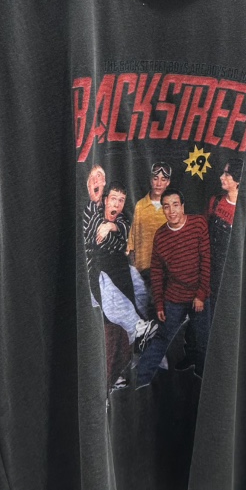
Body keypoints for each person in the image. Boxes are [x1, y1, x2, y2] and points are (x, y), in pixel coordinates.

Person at [137, 189, 211, 388]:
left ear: (182, 206)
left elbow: (206, 261)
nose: (171, 211)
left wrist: (201, 295)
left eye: (175, 205)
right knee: (162, 337)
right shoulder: (161, 236)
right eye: (166, 207)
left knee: (203, 339)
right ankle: (140, 380)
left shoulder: (198, 224)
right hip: (174, 297)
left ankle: (204, 380)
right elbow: (157, 273)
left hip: (199, 294)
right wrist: (160, 304)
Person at [84, 181, 157, 355]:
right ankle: (137, 327)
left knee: (138, 286)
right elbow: (98, 241)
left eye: (121, 200)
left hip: (118, 269)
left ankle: (148, 324)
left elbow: (125, 229)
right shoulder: (93, 213)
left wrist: (111, 226)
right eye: (113, 199)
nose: (116, 204)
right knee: (109, 290)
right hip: (96, 273)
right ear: (105, 200)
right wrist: (111, 233)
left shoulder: (121, 220)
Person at [127, 161, 172, 284]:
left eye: (163, 179)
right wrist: (135, 272)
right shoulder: (140, 205)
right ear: (151, 180)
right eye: (155, 178)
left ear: (168, 182)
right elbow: (132, 242)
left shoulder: (172, 207)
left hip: (166, 272)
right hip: (143, 272)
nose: (158, 183)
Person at [207, 158, 242, 309]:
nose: (222, 177)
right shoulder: (215, 201)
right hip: (210, 269)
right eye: (223, 173)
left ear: (238, 180)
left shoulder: (244, 209)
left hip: (231, 274)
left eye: (227, 174)